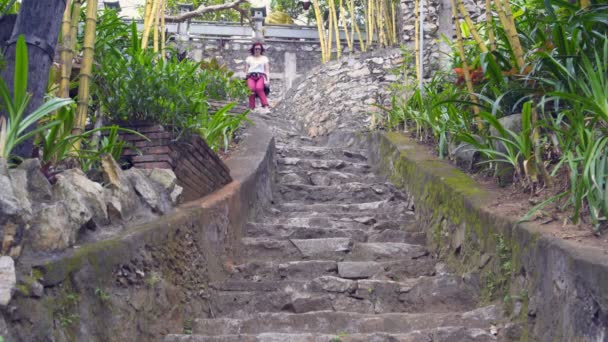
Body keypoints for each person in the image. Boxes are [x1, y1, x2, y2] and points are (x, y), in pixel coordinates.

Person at [245, 42, 270, 113]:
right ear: (253, 49)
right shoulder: (249, 58)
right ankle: (252, 108)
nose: (257, 50)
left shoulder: (264, 58)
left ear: (261, 49)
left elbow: (267, 70)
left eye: (259, 49)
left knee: (259, 88)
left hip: (260, 76)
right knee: (251, 89)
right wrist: (246, 78)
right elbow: (246, 70)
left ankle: (265, 106)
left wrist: (267, 80)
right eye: (256, 49)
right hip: (251, 76)